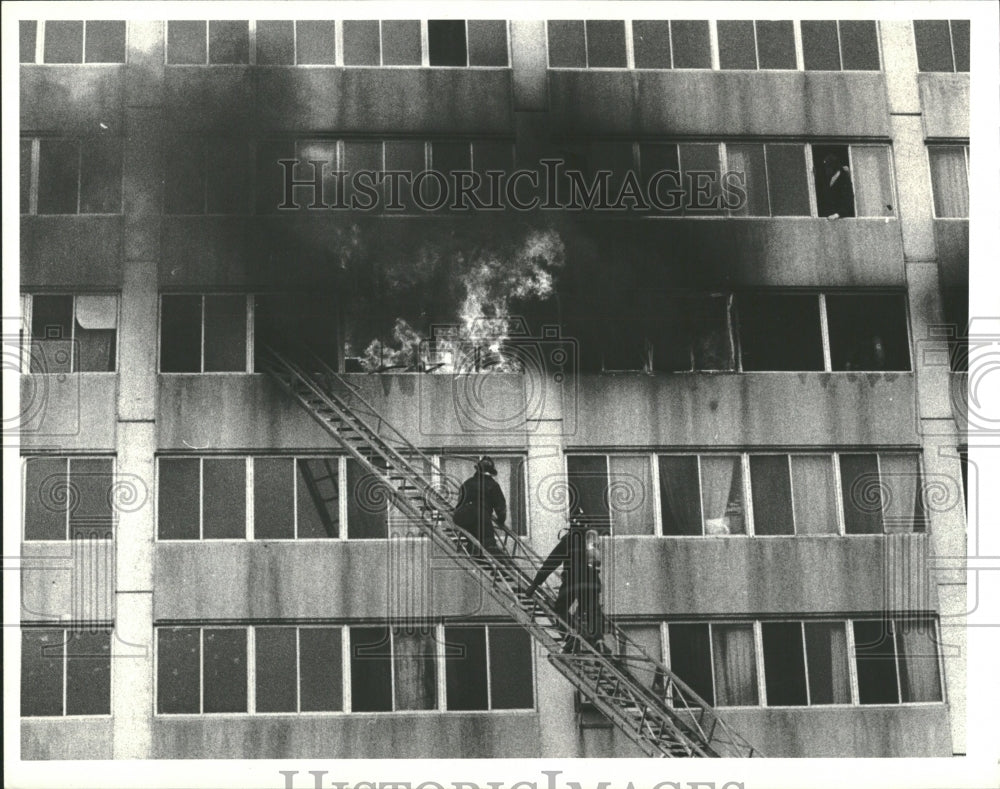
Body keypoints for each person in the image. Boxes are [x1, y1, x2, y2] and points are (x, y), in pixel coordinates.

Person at [524, 509, 607, 652]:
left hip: (572, 582)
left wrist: (535, 584)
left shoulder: (568, 540)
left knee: (560, 609)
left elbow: (551, 563)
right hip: (591, 582)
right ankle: (599, 641)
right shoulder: (592, 540)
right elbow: (596, 564)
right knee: (593, 612)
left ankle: (571, 638)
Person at [451, 456, 507, 555]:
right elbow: (501, 507)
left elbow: (460, 502)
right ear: (490, 472)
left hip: (460, 517)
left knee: (473, 538)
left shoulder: (467, 483)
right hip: (480, 517)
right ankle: (494, 562)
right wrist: (501, 521)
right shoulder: (493, 485)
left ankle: (474, 552)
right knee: (489, 542)